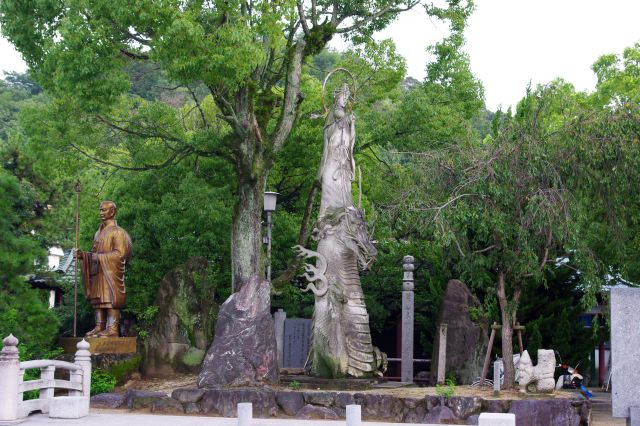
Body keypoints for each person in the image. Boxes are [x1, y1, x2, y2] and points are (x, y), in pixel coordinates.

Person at [77, 201, 132, 337]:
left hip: (110, 271)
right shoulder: (98, 233)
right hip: (98, 271)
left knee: (110, 298)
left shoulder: (118, 232)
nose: (101, 213)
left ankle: (112, 329)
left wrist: (98, 257)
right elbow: (94, 254)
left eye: (104, 210)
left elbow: (120, 254)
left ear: (112, 212)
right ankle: (99, 326)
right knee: (98, 299)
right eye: (100, 210)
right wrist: (83, 255)